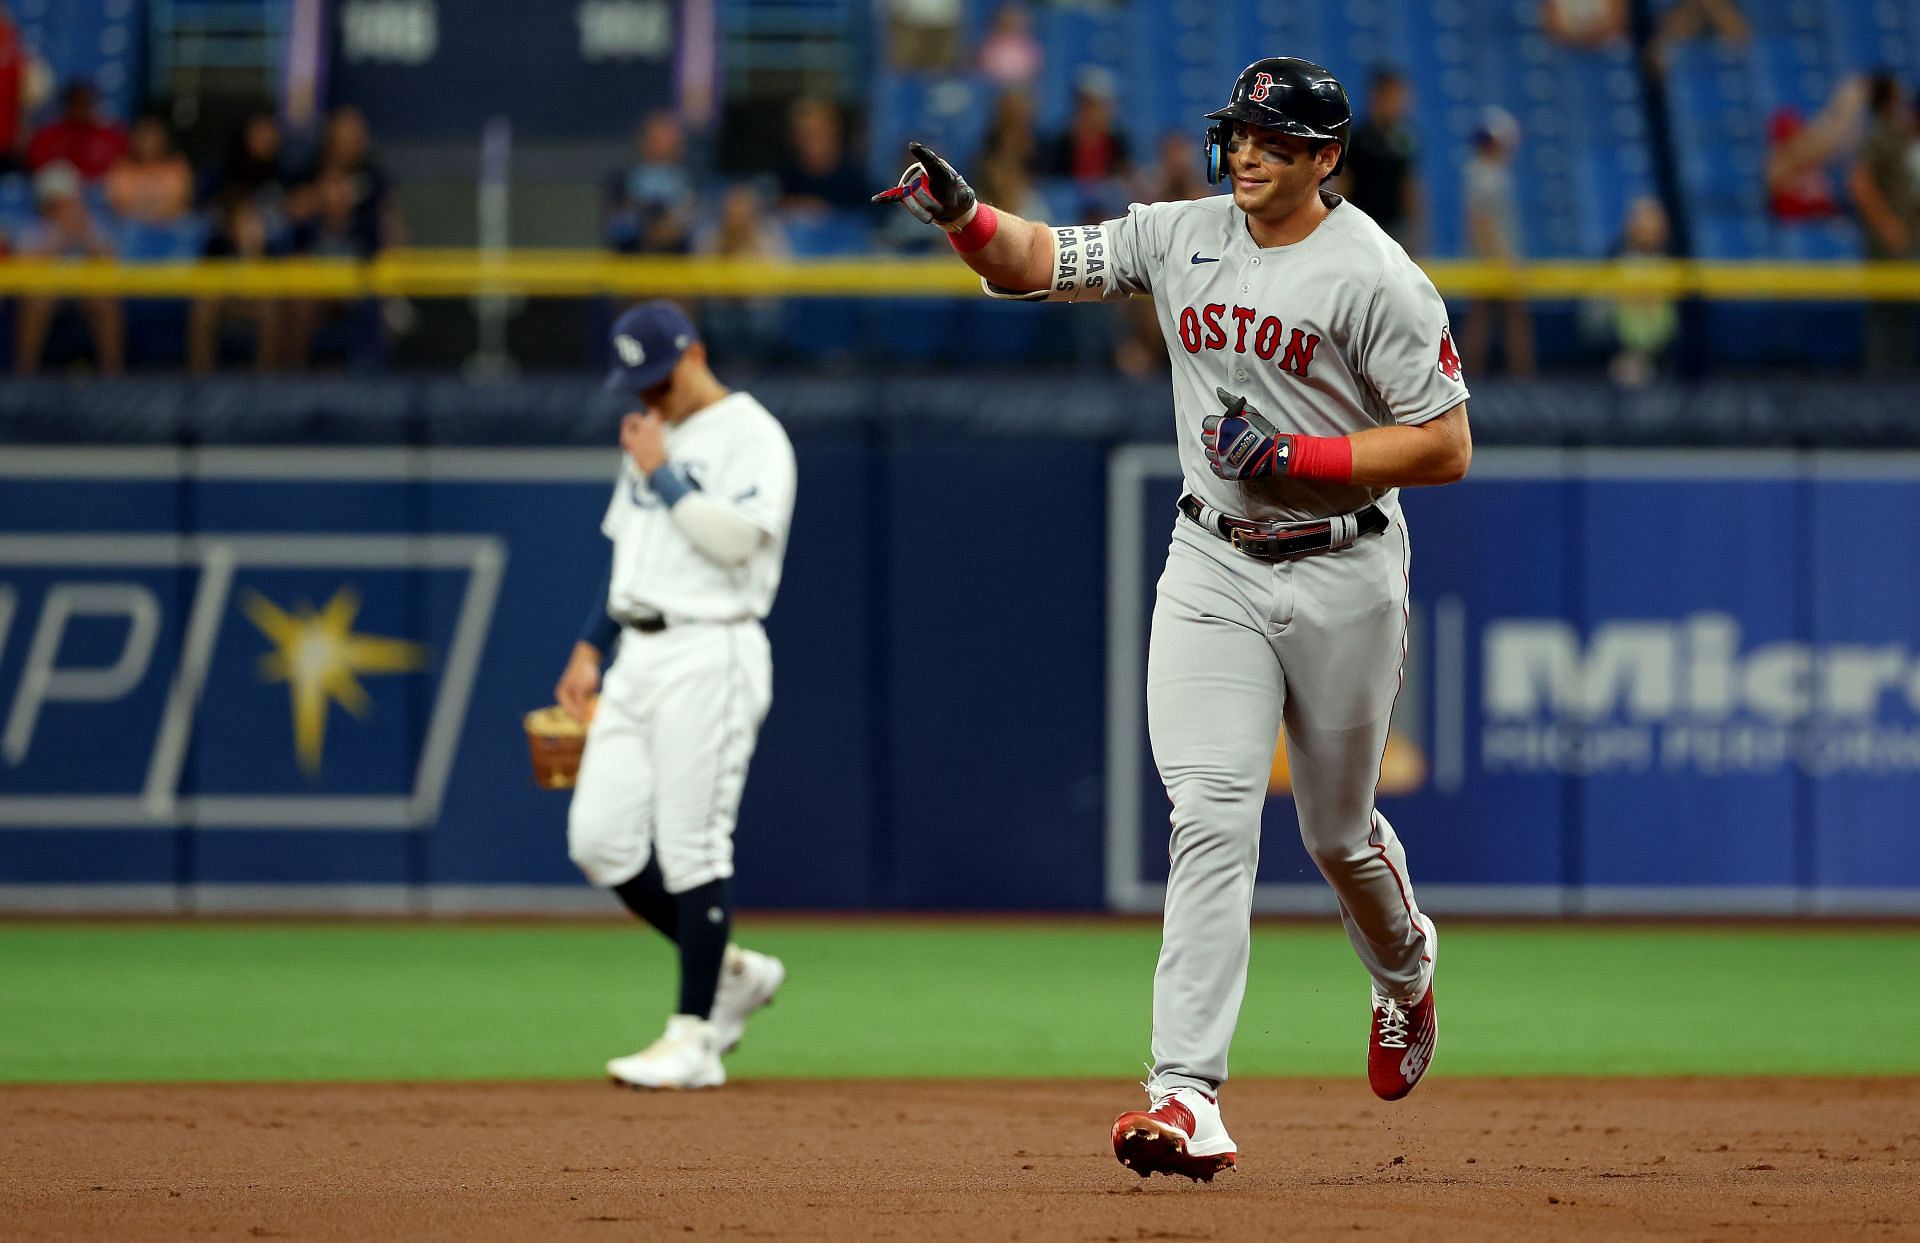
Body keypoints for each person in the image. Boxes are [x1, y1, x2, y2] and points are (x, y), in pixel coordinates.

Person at [875, 56, 1466, 1178]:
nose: (1248, 153)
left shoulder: (1378, 277)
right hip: (1212, 562)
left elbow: (1444, 444)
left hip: (1344, 570)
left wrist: (1301, 458)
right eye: (1240, 133)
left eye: (1275, 140)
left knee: (1337, 835)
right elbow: (1043, 261)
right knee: (1211, 813)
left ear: (1326, 156)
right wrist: (964, 213)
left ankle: (1404, 968)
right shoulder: (1181, 234)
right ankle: (1186, 1093)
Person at [556, 300, 797, 1090]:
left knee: (694, 844)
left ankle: (694, 1037)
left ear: (693, 353)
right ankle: (730, 972)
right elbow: (625, 552)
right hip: (638, 654)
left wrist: (661, 471)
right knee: (599, 841)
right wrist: (592, 644)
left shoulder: (752, 434)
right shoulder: (650, 436)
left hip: (713, 644)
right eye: (638, 386)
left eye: (658, 380)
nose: (648, 398)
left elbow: (738, 541)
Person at [13, 160, 123, 375]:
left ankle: (113, 372)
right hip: (48, 291)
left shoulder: (91, 222)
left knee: (105, 299)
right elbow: (24, 269)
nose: (60, 206)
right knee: (38, 300)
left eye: (65, 200)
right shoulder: (31, 227)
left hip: (84, 290)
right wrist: (62, 236)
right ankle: (25, 373)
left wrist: (83, 234)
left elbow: (110, 260)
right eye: (54, 201)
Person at [1850, 71, 1918, 375]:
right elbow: (1859, 181)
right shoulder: (1880, 134)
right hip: (1886, 246)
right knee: (1886, 321)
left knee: (1903, 321)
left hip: (1905, 244)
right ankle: (1881, 392)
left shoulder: (1899, 136)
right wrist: (1887, 224)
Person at [1461, 107, 1534, 376]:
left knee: (1486, 316)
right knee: (1508, 316)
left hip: (1491, 256)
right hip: (1492, 258)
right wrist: (1501, 257)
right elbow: (1481, 222)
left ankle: (1467, 375)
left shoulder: (1487, 172)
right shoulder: (1485, 175)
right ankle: (1521, 378)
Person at [1339, 67, 1421, 251]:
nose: (1398, 103)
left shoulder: (1406, 138)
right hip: (1362, 224)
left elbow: (1409, 184)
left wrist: (1416, 229)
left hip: (1396, 226)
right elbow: (1344, 183)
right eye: (1393, 96)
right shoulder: (1356, 137)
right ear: (1377, 97)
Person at [607, 111, 698, 255]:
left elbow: (692, 224)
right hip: (632, 265)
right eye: (656, 139)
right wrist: (648, 228)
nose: (662, 145)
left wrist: (669, 229)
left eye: (668, 139)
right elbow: (618, 228)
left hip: (678, 268)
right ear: (643, 142)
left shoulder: (691, 182)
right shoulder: (623, 182)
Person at [775, 97, 869, 215]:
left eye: (817, 134)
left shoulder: (853, 179)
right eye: (803, 135)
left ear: (834, 134)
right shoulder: (788, 174)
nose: (809, 142)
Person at [26, 80, 126, 181]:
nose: (81, 109)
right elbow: (36, 169)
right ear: (67, 105)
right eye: (76, 103)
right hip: (60, 192)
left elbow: (123, 168)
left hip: (102, 189)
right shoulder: (47, 137)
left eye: (85, 103)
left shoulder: (111, 138)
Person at [104, 115, 192, 225]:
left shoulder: (177, 165)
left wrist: (159, 216)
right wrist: (144, 215)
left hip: (169, 224)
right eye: (145, 137)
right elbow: (118, 203)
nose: (150, 142)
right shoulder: (123, 167)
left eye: (154, 137)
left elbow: (182, 201)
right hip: (133, 225)